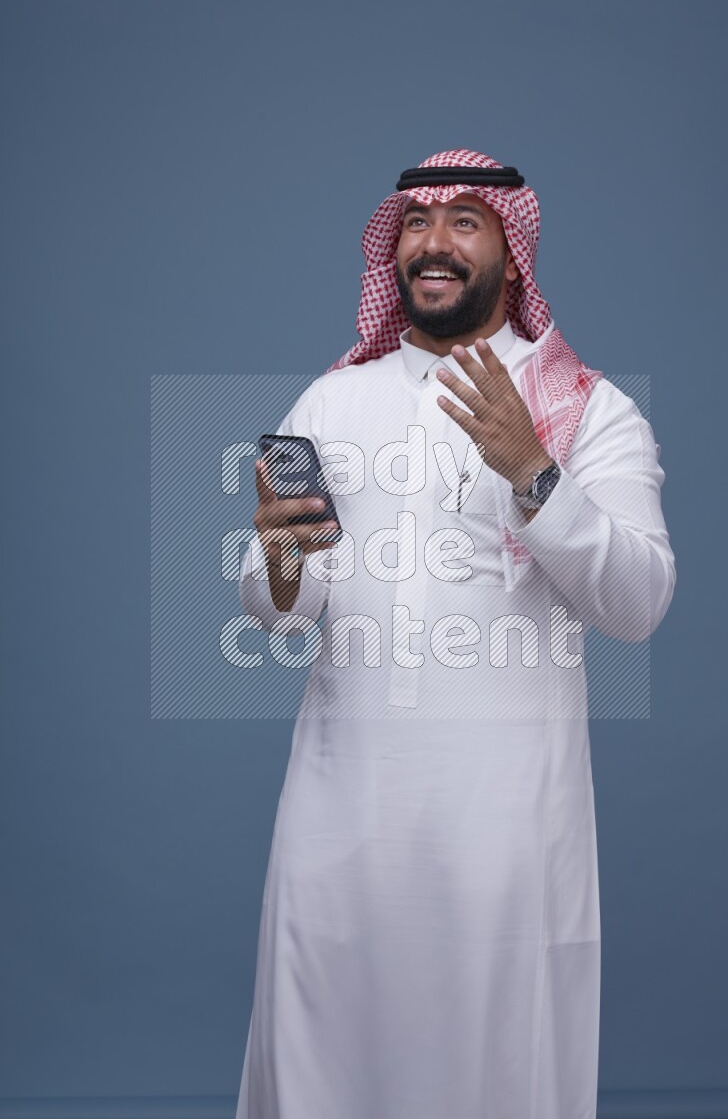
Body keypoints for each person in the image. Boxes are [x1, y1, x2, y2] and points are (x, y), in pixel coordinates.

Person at [234, 148, 676, 1119]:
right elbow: (280, 609)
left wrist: (532, 471)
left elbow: (637, 603)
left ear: (512, 255)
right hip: (338, 814)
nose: (433, 243)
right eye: (415, 223)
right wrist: (278, 556)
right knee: (322, 1057)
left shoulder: (587, 408)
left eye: (464, 222)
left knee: (487, 1068)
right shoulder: (331, 401)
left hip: (503, 823)